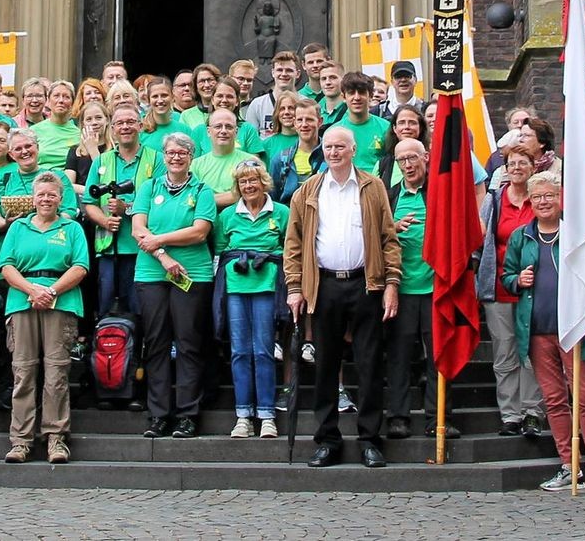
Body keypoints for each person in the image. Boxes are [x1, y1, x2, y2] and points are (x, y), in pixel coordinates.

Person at [284, 126, 401, 468]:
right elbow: (293, 243)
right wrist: (294, 287)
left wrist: (391, 284)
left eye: (340, 147)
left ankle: (369, 440)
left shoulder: (372, 186)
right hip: (324, 286)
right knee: (325, 367)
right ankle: (327, 440)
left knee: (368, 365)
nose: (334, 152)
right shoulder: (308, 191)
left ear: (352, 150)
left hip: (366, 284)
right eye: (329, 147)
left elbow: (388, 239)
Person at [500, 171, 585, 496]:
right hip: (537, 330)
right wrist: (515, 280)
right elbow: (506, 275)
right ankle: (569, 463)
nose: (543, 202)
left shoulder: (576, 235)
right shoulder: (522, 237)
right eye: (537, 197)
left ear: (560, 198)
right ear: (530, 202)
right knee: (554, 400)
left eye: (549, 195)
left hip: (574, 329)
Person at [0, 172, 91, 464]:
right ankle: (21, 441)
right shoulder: (18, 228)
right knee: (23, 372)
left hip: (61, 300)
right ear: (33, 198)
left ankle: (56, 438)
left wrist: (50, 291)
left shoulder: (72, 228)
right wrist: (31, 290)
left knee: (56, 373)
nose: (46, 199)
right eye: (41, 194)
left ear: (61, 198)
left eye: (52, 194)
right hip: (22, 300)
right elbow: (6, 266)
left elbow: (81, 267)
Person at [131, 133, 218, 439]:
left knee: (188, 343)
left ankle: (187, 415)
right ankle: (158, 415)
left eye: (182, 152)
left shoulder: (202, 190)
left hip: (192, 275)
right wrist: (163, 256)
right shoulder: (148, 187)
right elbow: (138, 228)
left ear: (191, 156)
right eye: (171, 152)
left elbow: (199, 232)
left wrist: (160, 240)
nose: (176, 157)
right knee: (155, 342)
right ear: (164, 155)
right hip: (152, 273)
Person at [384, 138, 453, 439]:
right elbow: (375, 236)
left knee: (439, 356)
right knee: (399, 355)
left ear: (426, 158)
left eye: (412, 158)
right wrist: (392, 229)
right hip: (401, 289)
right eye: (402, 161)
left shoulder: (439, 193)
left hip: (436, 289)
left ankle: (438, 418)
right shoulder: (390, 197)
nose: (408, 165)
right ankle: (398, 416)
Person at [213, 159, 287, 439]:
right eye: (243, 181)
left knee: (263, 351)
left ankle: (267, 415)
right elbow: (220, 251)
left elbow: (288, 248)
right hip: (235, 287)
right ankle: (243, 415)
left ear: (263, 182)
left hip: (268, 287)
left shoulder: (280, 212)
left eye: (253, 180)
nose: (249, 185)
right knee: (240, 351)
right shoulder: (227, 216)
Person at [475, 148, 544, 438]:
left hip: (536, 288)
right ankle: (510, 414)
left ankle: (532, 412)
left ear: (532, 167)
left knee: (532, 353)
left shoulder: (541, 199)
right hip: (500, 285)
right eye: (511, 163)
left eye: (522, 163)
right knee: (504, 353)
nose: (516, 167)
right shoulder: (495, 200)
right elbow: (481, 237)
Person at [83, 104, 156, 318]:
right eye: (120, 123)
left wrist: (128, 209)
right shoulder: (101, 161)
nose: (125, 127)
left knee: (139, 308)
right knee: (106, 306)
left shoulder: (156, 159)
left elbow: (161, 205)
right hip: (108, 248)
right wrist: (105, 222)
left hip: (143, 248)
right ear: (112, 128)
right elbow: (89, 202)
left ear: (140, 126)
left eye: (131, 122)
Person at [191, 108, 256, 209]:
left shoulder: (250, 162)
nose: (223, 131)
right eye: (218, 126)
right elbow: (190, 199)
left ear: (236, 132)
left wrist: (203, 199)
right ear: (208, 131)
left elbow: (250, 194)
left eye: (229, 127)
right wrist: (232, 195)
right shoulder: (195, 165)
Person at [332, 72, 391, 173]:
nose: (357, 98)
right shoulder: (333, 132)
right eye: (351, 93)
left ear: (371, 96)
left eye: (362, 92)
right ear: (343, 97)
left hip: (377, 185)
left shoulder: (386, 128)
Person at [268, 97, 323, 204]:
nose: (304, 125)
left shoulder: (330, 157)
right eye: (300, 120)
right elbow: (273, 199)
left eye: (309, 119)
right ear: (294, 123)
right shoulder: (280, 160)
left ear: (320, 122)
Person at [34, 80, 80, 170]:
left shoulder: (79, 133)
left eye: (66, 97)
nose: (61, 100)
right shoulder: (34, 131)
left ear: (72, 103)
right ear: (48, 100)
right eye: (56, 96)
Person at [139, 76, 187, 153]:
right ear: (148, 100)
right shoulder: (140, 130)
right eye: (155, 96)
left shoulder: (184, 130)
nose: (160, 100)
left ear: (172, 97)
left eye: (164, 95)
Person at [259, 91, 301, 167]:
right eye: (282, 109)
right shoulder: (267, 144)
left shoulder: (305, 141)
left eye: (291, 108)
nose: (286, 112)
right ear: (277, 113)